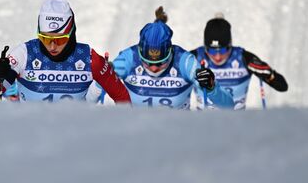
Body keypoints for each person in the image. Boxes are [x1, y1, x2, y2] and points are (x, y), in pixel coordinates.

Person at [0, 0, 131, 103]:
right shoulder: (24, 54)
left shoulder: (89, 59)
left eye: (60, 40)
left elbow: (121, 96)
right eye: (45, 38)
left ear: (71, 34)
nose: (52, 46)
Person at [88, 7, 234, 109]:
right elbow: (88, 102)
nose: (154, 68)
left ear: (170, 52)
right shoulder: (128, 59)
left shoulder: (184, 61)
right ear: (139, 53)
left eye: (161, 62)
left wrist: (212, 87)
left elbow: (228, 106)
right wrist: (102, 79)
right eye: (147, 62)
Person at [191, 14, 288, 109]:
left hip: (237, 122)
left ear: (230, 44)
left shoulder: (244, 58)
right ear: (205, 47)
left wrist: (269, 75)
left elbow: (283, 87)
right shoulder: (193, 58)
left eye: (223, 50)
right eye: (211, 51)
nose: (218, 57)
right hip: (205, 123)